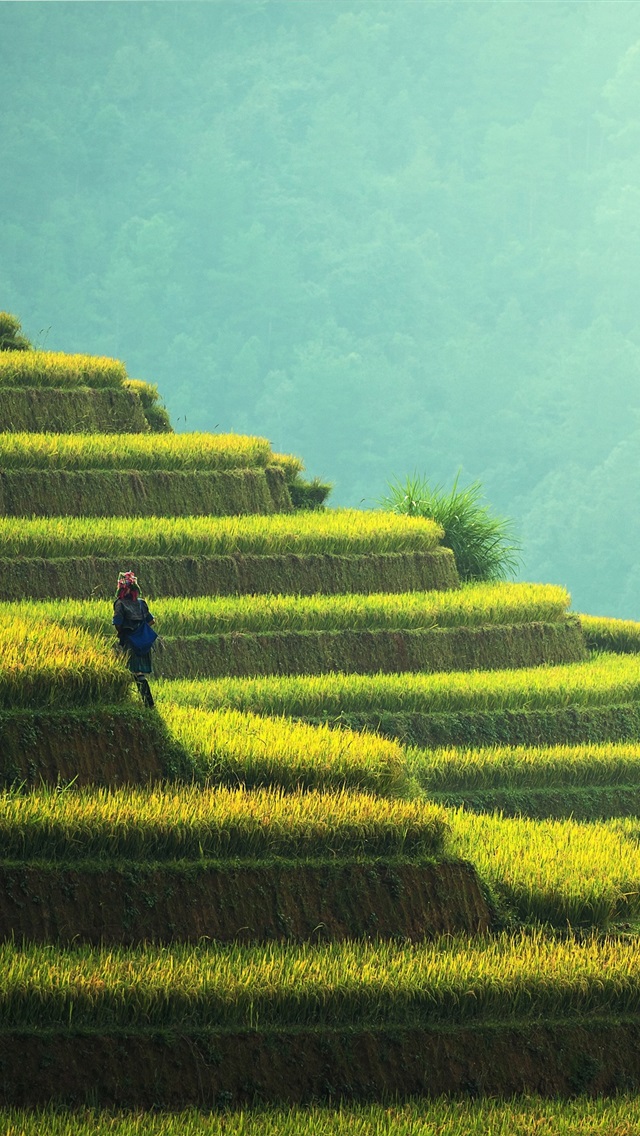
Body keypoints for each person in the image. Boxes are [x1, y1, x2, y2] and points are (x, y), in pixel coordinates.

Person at [113, 570, 156, 708]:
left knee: (133, 671)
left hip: (130, 642)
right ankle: (145, 703)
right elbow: (151, 621)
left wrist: (123, 633)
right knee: (137, 672)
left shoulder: (119, 604)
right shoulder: (141, 603)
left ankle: (148, 704)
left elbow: (118, 623)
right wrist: (140, 630)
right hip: (143, 641)